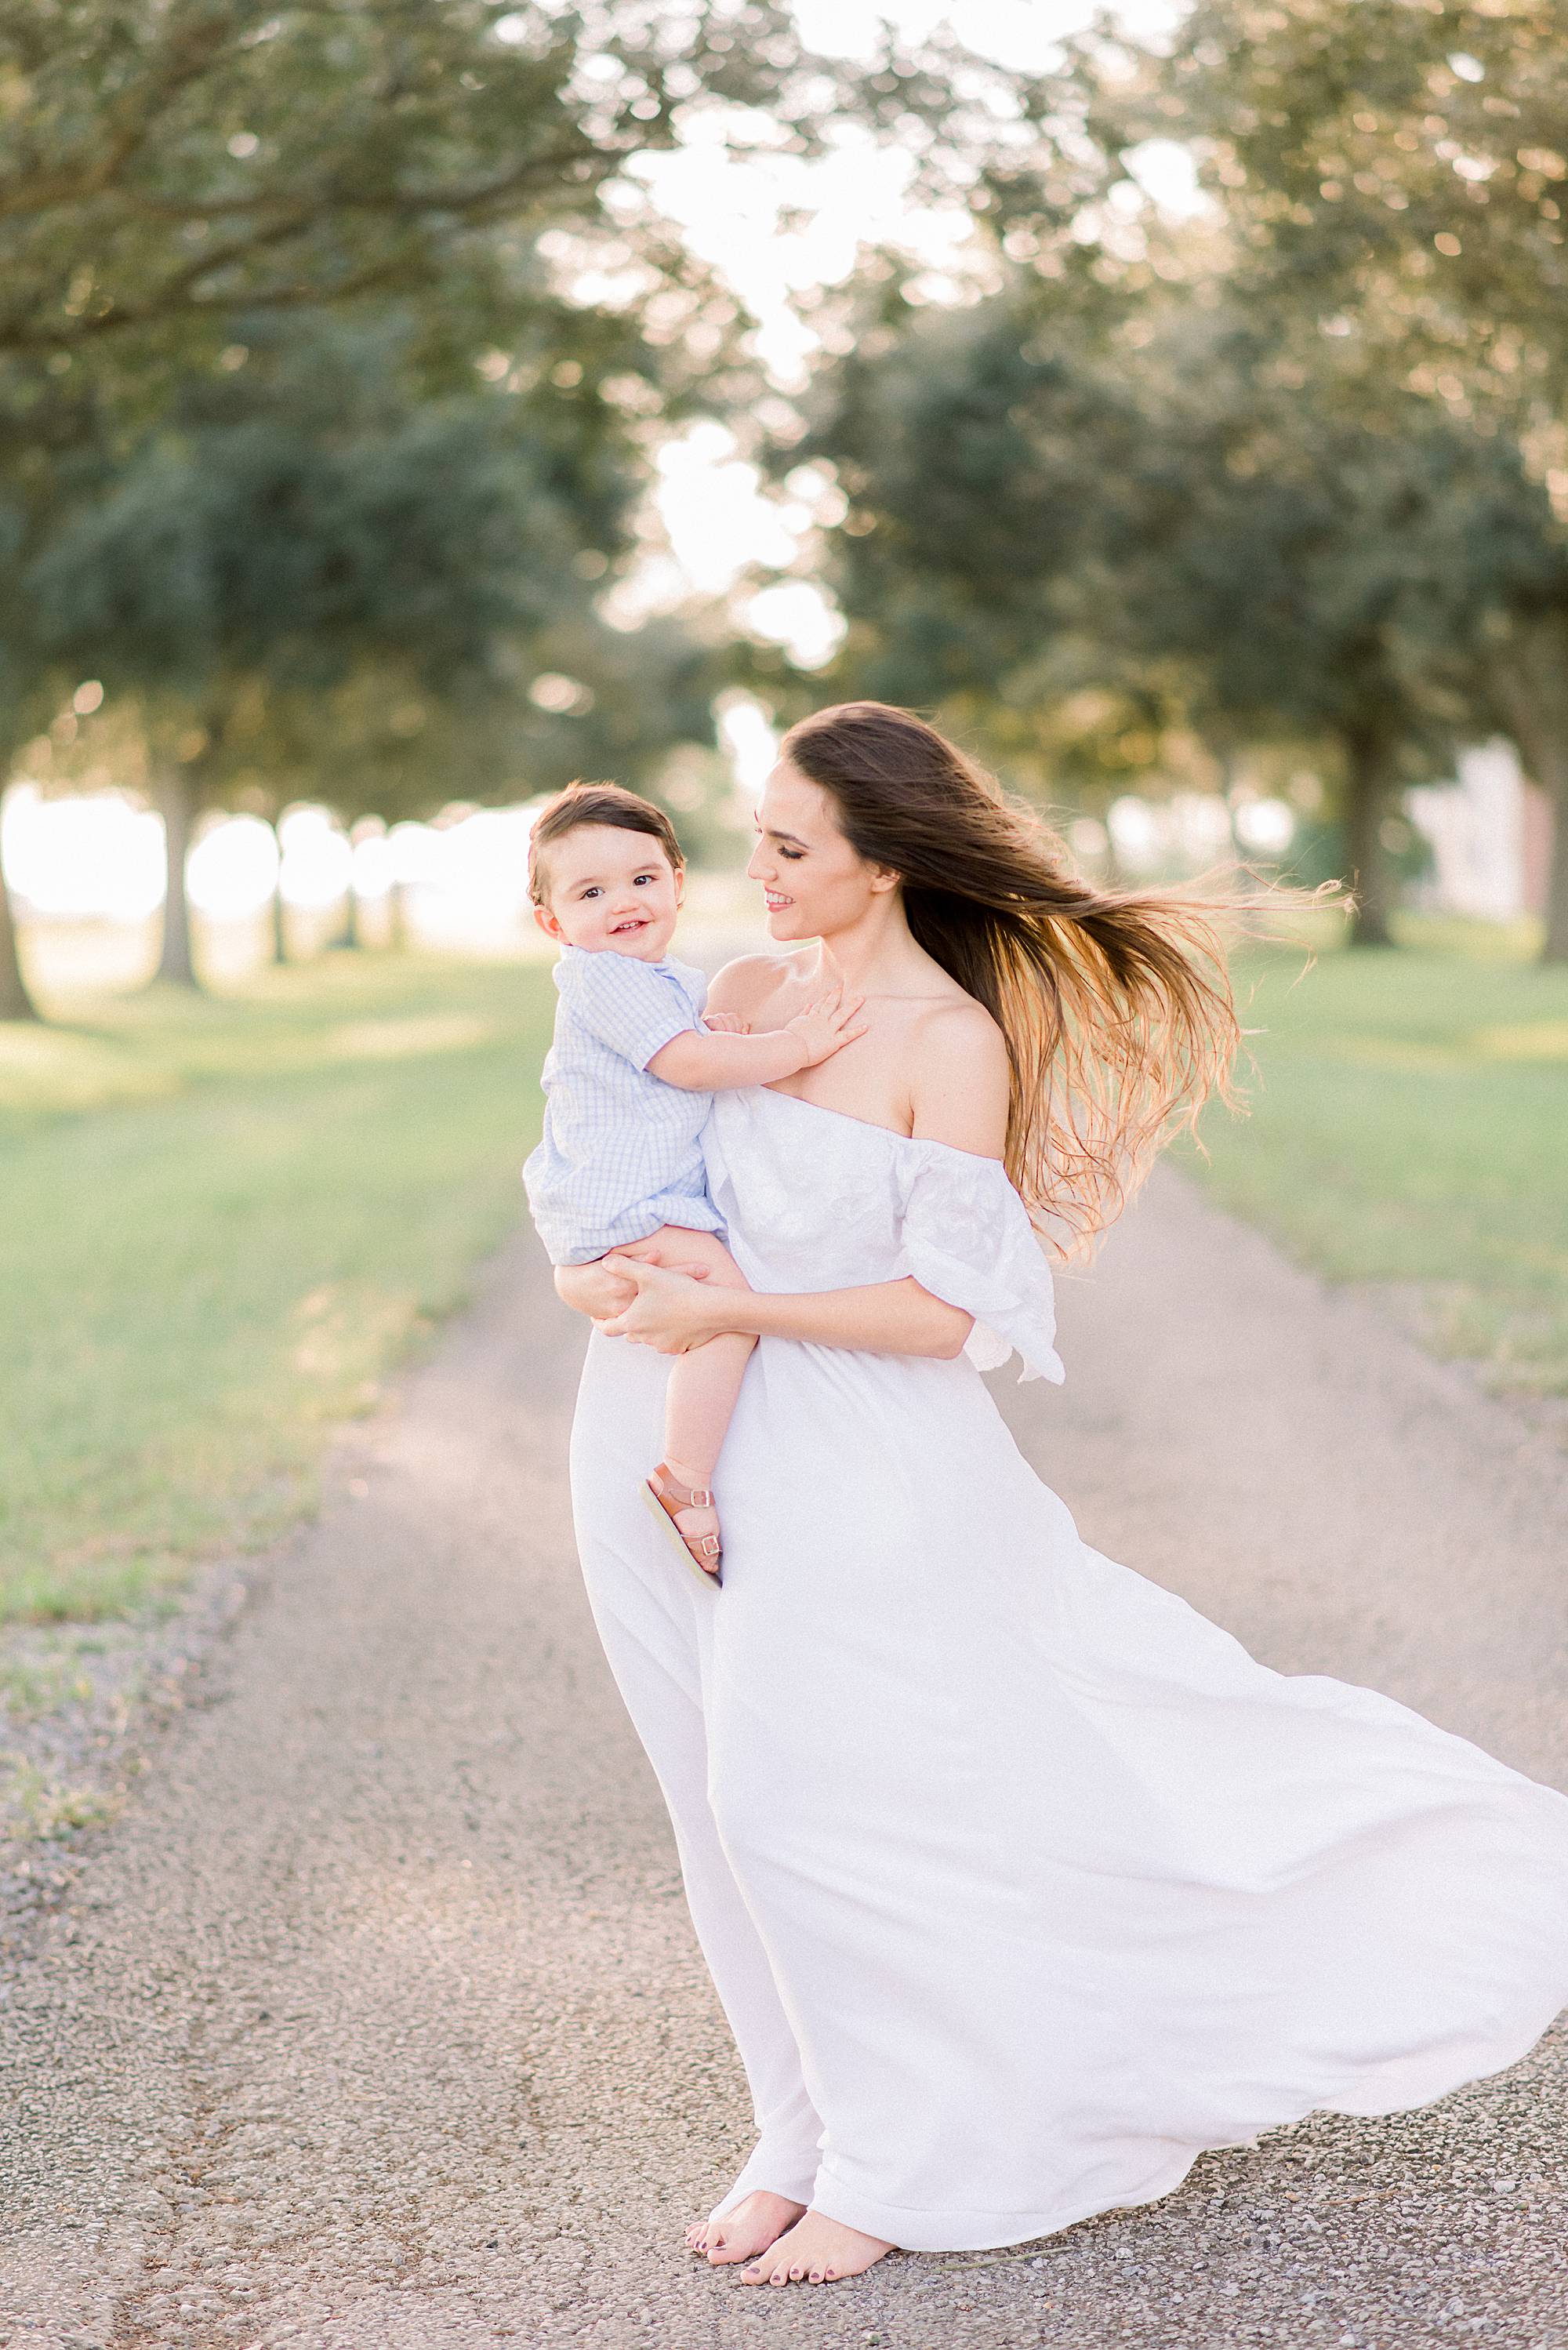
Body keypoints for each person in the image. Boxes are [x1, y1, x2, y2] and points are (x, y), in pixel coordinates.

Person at [551, 705, 1568, 2290]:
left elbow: (948, 1315)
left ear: (884, 859)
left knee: (798, 1801)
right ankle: (795, 2132)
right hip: (648, 1425)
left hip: (853, 1451)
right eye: (751, 837)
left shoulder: (950, 1039)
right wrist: (595, 1274)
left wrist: (735, 1313)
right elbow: (602, 1156)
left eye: (788, 844)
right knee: (712, 1806)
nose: (746, 870)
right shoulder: (740, 994)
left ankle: (898, 2155)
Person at [523, 782, 864, 1578]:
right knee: (727, 1312)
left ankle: (686, 1468)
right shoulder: (600, 976)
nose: (623, 902)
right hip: (622, 1206)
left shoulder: (661, 978)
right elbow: (688, 1066)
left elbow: (684, 1045)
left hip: (628, 1202)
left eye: (642, 878)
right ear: (553, 923)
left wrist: (714, 1028)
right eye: (590, 892)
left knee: (715, 1306)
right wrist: (800, 1044)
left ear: (677, 879)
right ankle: (683, 1479)